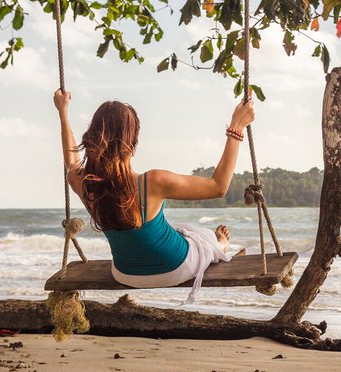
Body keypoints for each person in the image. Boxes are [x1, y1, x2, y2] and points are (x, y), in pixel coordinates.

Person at [53, 89, 255, 302]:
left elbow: (72, 162)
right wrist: (237, 127)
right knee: (201, 237)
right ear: (133, 141)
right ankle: (221, 248)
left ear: (93, 137)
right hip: (175, 268)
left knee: (183, 231)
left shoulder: (83, 182)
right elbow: (217, 186)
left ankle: (216, 247)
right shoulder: (153, 182)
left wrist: (63, 112)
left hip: (125, 273)